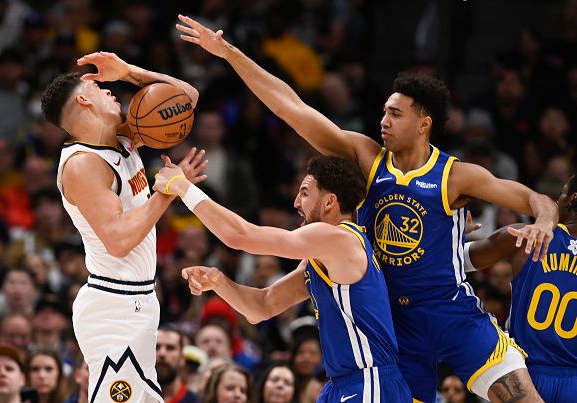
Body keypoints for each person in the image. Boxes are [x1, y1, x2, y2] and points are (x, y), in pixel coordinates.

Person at [175, 16, 557, 403]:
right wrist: (230, 53)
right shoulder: (367, 158)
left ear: (424, 123)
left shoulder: (454, 176)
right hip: (396, 327)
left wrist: (543, 220)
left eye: (395, 114)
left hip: (450, 313)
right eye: (384, 112)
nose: (383, 121)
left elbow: (533, 198)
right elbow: (291, 108)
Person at [154, 155, 412, 401]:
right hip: (342, 384)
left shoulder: (339, 238)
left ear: (330, 202)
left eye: (305, 193)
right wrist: (220, 282)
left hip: (370, 382)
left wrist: (181, 187)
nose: (296, 202)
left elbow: (240, 237)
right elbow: (263, 306)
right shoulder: (323, 257)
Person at [40, 51, 206, 403]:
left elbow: (185, 99)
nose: (112, 90)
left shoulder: (122, 134)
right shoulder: (83, 165)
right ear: (84, 97)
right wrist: (167, 191)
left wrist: (131, 72)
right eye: (103, 88)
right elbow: (118, 240)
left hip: (138, 300)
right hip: (113, 308)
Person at [465, 176, 577, 402]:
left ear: (573, 199)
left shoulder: (525, 236)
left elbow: (455, 261)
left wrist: (454, 235)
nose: (558, 201)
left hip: (522, 375)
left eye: (563, 194)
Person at [156, 325, 200, 403]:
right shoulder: (134, 397)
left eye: (170, 348)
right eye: (157, 347)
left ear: (182, 358)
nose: (162, 353)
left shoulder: (196, 401)